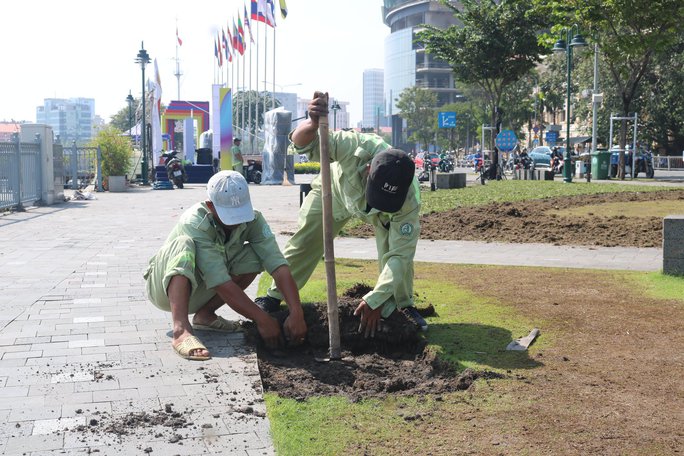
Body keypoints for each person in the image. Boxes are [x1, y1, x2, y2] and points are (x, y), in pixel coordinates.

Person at [255, 91, 427, 334]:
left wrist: (375, 299)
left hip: (385, 219)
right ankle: (274, 296)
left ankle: (402, 305)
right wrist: (313, 124)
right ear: (369, 169)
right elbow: (302, 142)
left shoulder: (408, 200)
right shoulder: (354, 145)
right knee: (304, 241)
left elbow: (400, 256)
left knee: (395, 253)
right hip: (333, 191)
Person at [143, 170, 307, 360]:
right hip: (165, 291)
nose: (236, 221)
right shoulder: (195, 222)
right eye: (229, 215)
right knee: (183, 244)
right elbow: (220, 281)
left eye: (240, 213)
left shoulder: (254, 220)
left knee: (256, 254)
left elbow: (278, 266)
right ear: (211, 205)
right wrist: (262, 319)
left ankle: (205, 316)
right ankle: (181, 330)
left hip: (202, 289)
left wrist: (296, 311)